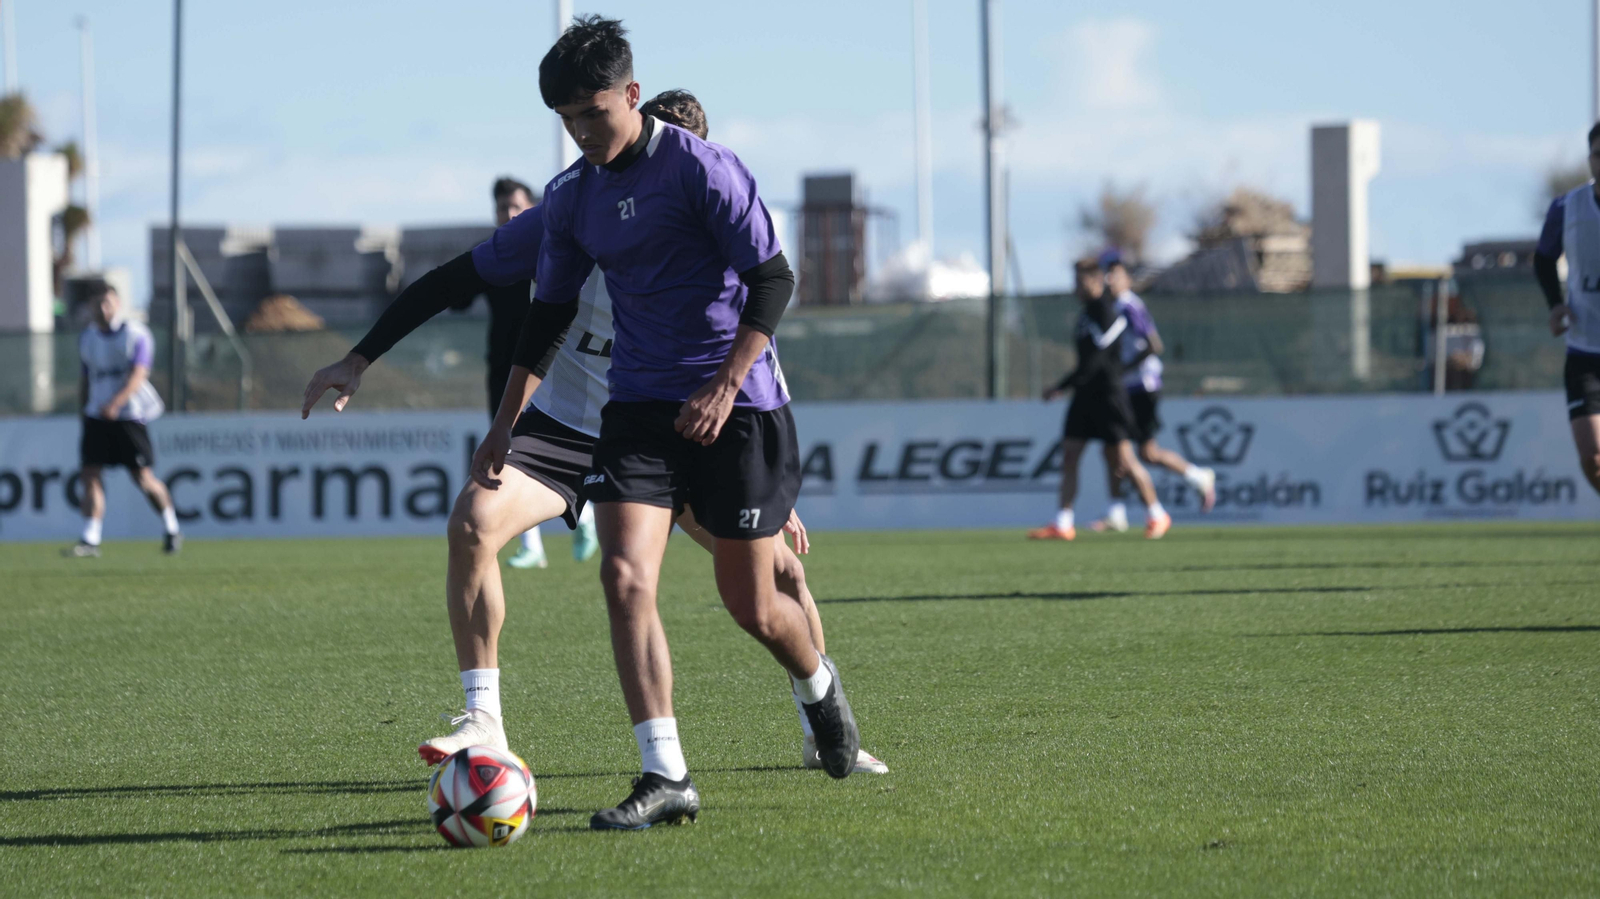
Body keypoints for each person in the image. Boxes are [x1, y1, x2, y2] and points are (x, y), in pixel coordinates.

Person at [300, 83, 885, 798]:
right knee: (474, 522)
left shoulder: (712, 212)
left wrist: (769, 487)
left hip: (685, 424)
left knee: (778, 583)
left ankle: (819, 715)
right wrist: (361, 357)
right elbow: (461, 279)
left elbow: (758, 332)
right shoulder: (576, 204)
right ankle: (489, 718)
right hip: (578, 428)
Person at [506, 16, 860, 829]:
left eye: (595, 113)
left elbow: (773, 279)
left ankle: (818, 684)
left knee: (754, 605)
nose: (584, 133)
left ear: (632, 94)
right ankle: (665, 773)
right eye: (568, 121)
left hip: (739, 410)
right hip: (636, 408)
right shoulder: (573, 196)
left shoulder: (704, 170)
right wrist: (504, 425)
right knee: (625, 575)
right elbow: (547, 313)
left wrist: (726, 384)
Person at [462, 176, 597, 569]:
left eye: (517, 206)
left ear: (533, 207)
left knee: (540, 452)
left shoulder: (549, 247)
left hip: (548, 372)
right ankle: (532, 547)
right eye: (503, 207)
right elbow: (461, 295)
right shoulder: (499, 253)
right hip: (501, 372)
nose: (510, 214)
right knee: (506, 453)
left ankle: (583, 517)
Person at [1029, 259, 1170, 541]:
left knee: (1124, 460)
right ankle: (1063, 522)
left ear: (1096, 282)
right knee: (1070, 454)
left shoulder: (1107, 313)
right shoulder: (1084, 315)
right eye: (1075, 281)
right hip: (1085, 396)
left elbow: (1095, 361)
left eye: (1081, 282)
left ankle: (1157, 513)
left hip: (1108, 396)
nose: (1076, 288)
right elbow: (1086, 362)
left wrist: (1061, 386)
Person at [1089, 254, 1215, 532]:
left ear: (1128, 279)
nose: (1110, 279)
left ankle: (1189, 483)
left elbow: (1153, 345)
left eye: (1117, 274)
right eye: (1107, 274)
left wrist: (1122, 369)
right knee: (1114, 448)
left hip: (1141, 387)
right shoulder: (1112, 306)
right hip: (1126, 387)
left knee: (1137, 452)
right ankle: (1117, 511)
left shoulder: (1130, 305)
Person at [68, 282, 182, 557]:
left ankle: (171, 527)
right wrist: (85, 411)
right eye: (98, 304)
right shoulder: (88, 338)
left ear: (118, 304)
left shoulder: (135, 334)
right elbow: (86, 378)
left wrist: (116, 404)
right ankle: (91, 539)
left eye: (108, 302)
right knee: (90, 474)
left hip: (129, 414)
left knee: (142, 478)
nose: (103, 309)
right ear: (91, 307)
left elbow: (138, 375)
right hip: (97, 416)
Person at [1533, 125, 1600, 498]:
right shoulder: (1567, 207)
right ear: (1590, 158)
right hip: (1585, 352)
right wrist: (1555, 304)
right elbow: (1543, 260)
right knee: (1592, 459)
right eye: (1598, 153)